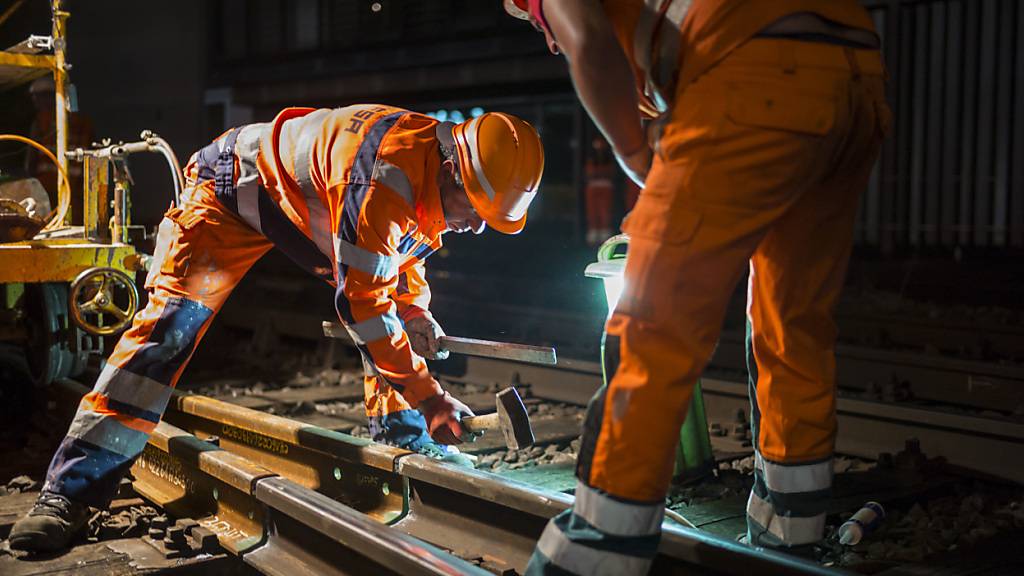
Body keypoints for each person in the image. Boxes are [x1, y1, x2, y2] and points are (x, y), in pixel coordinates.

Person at [9, 104, 544, 552]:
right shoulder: (385, 175)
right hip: (228, 194)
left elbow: (399, 262)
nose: (473, 226)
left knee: (389, 320)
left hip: (293, 203)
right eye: (473, 211)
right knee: (167, 334)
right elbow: (362, 304)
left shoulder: (433, 164)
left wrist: (416, 312)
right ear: (454, 170)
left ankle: (404, 444)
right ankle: (68, 494)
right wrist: (429, 394)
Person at [505, 1, 889, 573]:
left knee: (651, 328)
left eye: (537, 25)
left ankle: (589, 559)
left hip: (758, 71)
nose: (547, 40)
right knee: (793, 324)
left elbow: (587, 42)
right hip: (855, 78)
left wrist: (638, 155)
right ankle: (790, 543)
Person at [24, 76, 94, 224]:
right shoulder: (83, 122)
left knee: (46, 225)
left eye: (37, 98)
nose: (36, 103)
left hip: (48, 189)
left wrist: (28, 183)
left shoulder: (40, 122)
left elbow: (31, 159)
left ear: (48, 96)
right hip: (75, 188)